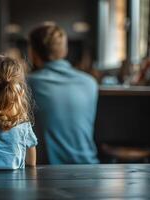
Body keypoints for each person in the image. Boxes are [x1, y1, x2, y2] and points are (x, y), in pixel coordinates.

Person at [27, 22, 99, 164]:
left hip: (45, 173)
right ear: (64, 50)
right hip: (89, 168)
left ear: (33, 52)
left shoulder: (26, 84)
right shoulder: (90, 83)